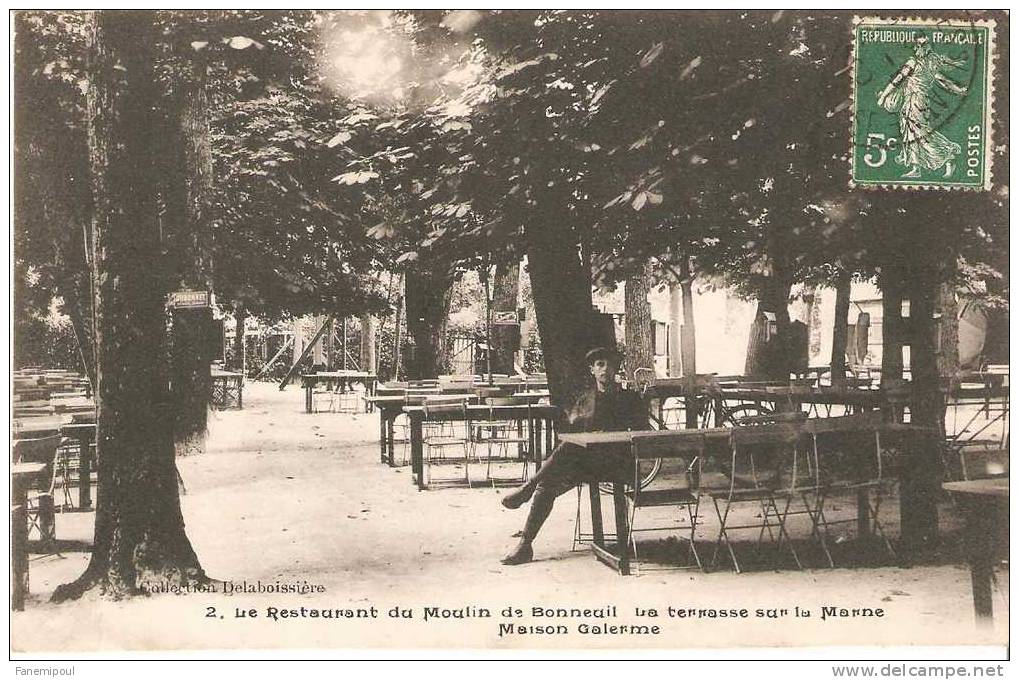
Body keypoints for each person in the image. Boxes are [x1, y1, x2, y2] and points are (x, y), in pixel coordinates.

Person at [499, 347, 648, 565]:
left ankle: (528, 486)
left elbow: (641, 433)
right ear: (592, 370)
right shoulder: (585, 399)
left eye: (609, 364)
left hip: (618, 463)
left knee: (568, 448)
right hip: (587, 464)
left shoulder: (629, 398)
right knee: (548, 484)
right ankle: (525, 544)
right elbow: (573, 430)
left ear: (618, 368)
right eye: (599, 364)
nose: (605, 369)